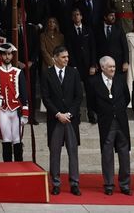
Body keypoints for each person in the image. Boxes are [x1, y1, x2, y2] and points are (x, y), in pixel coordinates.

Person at [41, 44, 82, 195]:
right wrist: (58, 114)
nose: (66, 59)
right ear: (55, 57)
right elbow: (46, 98)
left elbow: (78, 97)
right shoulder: (47, 73)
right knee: (55, 153)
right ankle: (56, 183)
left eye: (67, 57)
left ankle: (74, 183)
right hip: (55, 119)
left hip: (71, 119)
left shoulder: (73, 73)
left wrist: (69, 114)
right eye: (64, 57)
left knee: (73, 152)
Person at [90, 54, 132, 195]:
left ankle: (125, 184)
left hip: (121, 121)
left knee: (124, 153)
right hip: (106, 122)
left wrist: (117, 110)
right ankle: (108, 184)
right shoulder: (94, 82)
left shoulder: (120, 80)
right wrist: (106, 112)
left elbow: (126, 98)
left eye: (114, 66)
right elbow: (92, 103)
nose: (113, 69)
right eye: (110, 67)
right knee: (107, 154)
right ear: (102, 68)